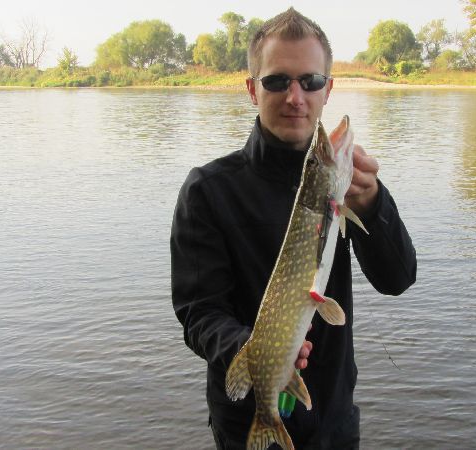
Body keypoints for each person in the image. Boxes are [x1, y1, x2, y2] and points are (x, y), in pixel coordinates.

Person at [170, 8, 416, 449]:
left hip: (333, 422)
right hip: (245, 422)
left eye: (311, 81)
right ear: (252, 89)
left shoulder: (345, 188)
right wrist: (255, 351)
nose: (295, 97)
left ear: (328, 90)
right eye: (277, 81)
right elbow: (199, 314)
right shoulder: (207, 190)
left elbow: (397, 279)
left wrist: (373, 203)